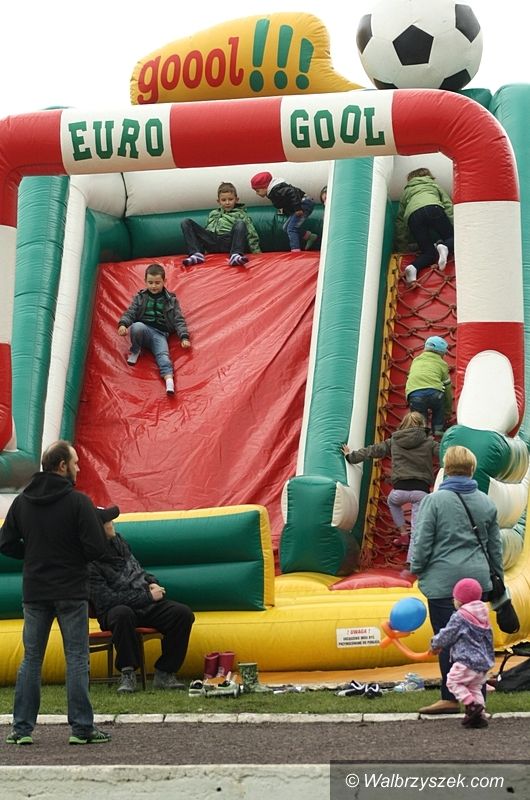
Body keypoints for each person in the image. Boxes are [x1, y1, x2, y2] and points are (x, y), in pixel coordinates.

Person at [0, 440, 111, 745]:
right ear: (62, 466)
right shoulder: (78, 502)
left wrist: (33, 554)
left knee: (31, 659)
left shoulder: (22, 502)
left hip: (35, 590)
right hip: (71, 590)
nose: (78, 468)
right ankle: (82, 728)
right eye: (75, 463)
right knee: (76, 658)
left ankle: (21, 729)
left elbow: (5, 543)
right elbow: (96, 549)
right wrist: (72, 555)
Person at [411, 445, 503, 715]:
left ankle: (450, 697)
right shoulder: (486, 502)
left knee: (447, 638)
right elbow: (495, 547)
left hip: (444, 582)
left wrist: (417, 568)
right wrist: (497, 578)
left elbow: (423, 541)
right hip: (477, 581)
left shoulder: (434, 501)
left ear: (446, 469)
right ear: (472, 469)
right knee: (477, 638)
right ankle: (478, 696)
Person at [89, 505, 195, 693]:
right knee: (122, 614)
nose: (112, 524)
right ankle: (127, 672)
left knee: (182, 614)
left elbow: (137, 570)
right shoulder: (89, 562)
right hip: (114, 612)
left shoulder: (119, 542)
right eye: (108, 521)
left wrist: (151, 582)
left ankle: (165, 672)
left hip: (143, 604)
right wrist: (147, 596)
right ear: (98, 528)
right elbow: (107, 600)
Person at [342, 411, 439, 554]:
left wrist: (351, 456)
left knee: (392, 502)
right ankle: (412, 559)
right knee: (417, 527)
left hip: (399, 491)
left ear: (403, 424)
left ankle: (403, 534)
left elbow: (373, 450)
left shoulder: (394, 441)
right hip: (421, 492)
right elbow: (444, 453)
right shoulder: (429, 442)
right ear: (422, 425)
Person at [430, 577, 494, 729]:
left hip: (466, 660)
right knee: (474, 688)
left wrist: (435, 644)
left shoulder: (460, 617)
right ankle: (479, 716)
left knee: (452, 681)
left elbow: (448, 633)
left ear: (459, 601)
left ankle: (471, 706)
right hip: (482, 661)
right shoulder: (483, 614)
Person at [118, 262, 191, 395]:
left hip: (160, 333)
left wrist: (184, 336)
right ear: (145, 281)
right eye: (150, 282)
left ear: (164, 281)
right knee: (137, 326)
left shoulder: (171, 300)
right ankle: (136, 349)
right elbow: (131, 312)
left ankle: (169, 381)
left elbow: (178, 319)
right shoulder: (140, 297)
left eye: (157, 283)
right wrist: (123, 324)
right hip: (144, 329)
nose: (153, 286)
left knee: (163, 355)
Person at [394, 167, 454, 286]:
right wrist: (454, 226)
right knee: (454, 238)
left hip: (413, 216)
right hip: (433, 208)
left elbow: (400, 222)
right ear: (428, 175)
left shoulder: (406, 192)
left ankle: (413, 267)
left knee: (428, 253)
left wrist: (402, 247)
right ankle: (445, 246)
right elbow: (448, 205)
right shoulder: (433, 185)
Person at [181, 181, 261, 268]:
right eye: (223, 200)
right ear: (218, 201)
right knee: (186, 222)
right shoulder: (213, 213)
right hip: (212, 242)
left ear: (236, 199)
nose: (227, 203)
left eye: (230, 199)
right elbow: (207, 229)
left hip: (228, 242)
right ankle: (196, 254)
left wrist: (257, 253)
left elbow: (251, 233)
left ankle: (236, 254)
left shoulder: (241, 214)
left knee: (240, 223)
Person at [250, 171, 317, 252]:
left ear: (265, 187)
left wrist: (297, 208)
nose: (257, 193)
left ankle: (295, 250)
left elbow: (292, 192)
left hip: (304, 204)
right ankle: (309, 236)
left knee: (291, 228)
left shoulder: (277, 190)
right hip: (300, 204)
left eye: (257, 191)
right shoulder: (273, 191)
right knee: (286, 227)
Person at [406, 335, 452, 437]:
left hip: (415, 394)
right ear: (441, 353)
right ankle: (438, 430)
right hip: (435, 393)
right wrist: (448, 410)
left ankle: (421, 433)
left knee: (419, 417)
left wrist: (409, 398)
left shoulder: (416, 360)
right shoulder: (442, 364)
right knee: (439, 409)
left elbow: (410, 379)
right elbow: (447, 388)